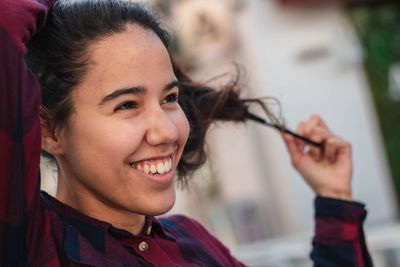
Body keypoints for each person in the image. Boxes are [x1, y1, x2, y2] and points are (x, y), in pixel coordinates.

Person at [0, 0, 373, 266]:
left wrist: (334, 197)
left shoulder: (194, 241)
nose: (165, 130)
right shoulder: (33, 247)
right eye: (126, 105)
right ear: (49, 130)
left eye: (170, 97)